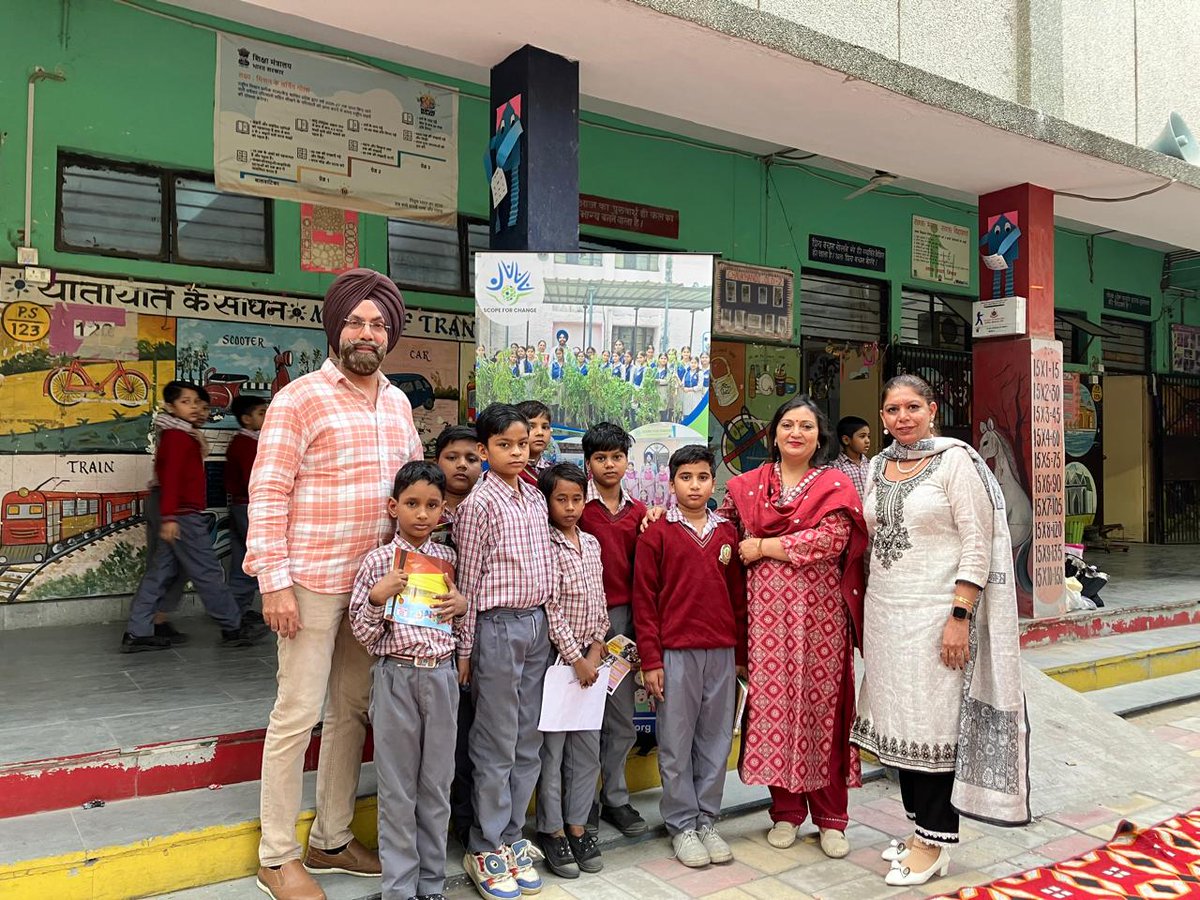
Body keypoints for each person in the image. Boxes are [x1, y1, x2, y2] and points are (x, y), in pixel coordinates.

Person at [247, 268, 420, 900]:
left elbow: (409, 491)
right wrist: (273, 582)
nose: (366, 333)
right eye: (355, 321)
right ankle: (276, 855)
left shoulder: (398, 403)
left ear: (390, 334)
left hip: (377, 584)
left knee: (350, 710)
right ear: (335, 328)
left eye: (377, 323)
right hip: (312, 581)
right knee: (296, 713)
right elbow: (267, 493)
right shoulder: (299, 399)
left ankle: (332, 836)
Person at [850, 374, 1029, 888]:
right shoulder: (879, 465)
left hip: (937, 618)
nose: (902, 417)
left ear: (932, 409)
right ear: (882, 417)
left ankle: (935, 841)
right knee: (902, 724)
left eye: (912, 407)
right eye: (891, 410)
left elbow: (978, 540)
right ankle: (916, 831)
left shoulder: (957, 461)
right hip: (887, 619)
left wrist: (960, 617)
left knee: (933, 728)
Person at [719, 397, 867, 859]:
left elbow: (832, 539)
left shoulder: (836, 484)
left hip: (821, 622)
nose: (796, 433)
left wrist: (763, 545)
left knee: (823, 712)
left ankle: (831, 818)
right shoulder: (748, 485)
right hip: (766, 625)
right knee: (776, 710)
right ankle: (785, 813)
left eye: (806, 426)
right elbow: (721, 528)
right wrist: (663, 515)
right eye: (787, 425)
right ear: (774, 432)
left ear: (819, 436)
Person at [454, 403, 578, 900]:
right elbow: (467, 582)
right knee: (496, 741)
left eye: (523, 444)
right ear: (484, 451)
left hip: (536, 627)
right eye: (504, 445)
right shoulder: (477, 507)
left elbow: (547, 576)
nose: (516, 453)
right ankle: (484, 843)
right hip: (496, 628)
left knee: (529, 739)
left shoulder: (532, 497)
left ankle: (510, 837)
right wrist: (466, 650)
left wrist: (556, 633)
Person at [348, 461, 468, 900]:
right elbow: (364, 636)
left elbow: (462, 627)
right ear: (393, 507)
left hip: (440, 677)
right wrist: (379, 597)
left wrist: (460, 604)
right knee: (397, 789)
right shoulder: (379, 561)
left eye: (432, 506)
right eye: (412, 504)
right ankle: (399, 888)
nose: (422, 514)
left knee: (436, 785)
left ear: (443, 513)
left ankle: (431, 884)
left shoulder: (449, 561)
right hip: (395, 676)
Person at [632, 444, 746, 869]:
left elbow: (738, 598)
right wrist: (651, 661)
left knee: (716, 740)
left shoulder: (727, 533)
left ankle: (707, 819)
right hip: (675, 654)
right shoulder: (656, 532)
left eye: (702, 477)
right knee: (676, 743)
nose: (694, 486)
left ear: (713, 482)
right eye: (685, 478)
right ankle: (681, 823)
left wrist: (741, 654)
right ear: (671, 482)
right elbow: (644, 601)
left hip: (721, 651)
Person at [121, 382, 264, 653]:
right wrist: (171, 516)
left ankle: (140, 629)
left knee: (163, 569)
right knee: (207, 569)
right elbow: (172, 478)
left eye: (198, 402)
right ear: (170, 407)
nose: (195, 407)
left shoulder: (181, 433)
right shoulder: (177, 436)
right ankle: (233, 626)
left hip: (176, 509)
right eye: (186, 402)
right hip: (182, 512)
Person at [535, 463, 609, 880]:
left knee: (586, 749)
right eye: (561, 499)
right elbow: (550, 605)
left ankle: (579, 824)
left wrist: (596, 647)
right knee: (552, 751)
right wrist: (574, 657)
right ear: (547, 500)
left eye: (577, 499)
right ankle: (553, 828)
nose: (570, 507)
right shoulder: (543, 544)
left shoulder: (592, 544)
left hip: (590, 660)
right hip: (557, 662)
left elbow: (599, 598)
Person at [578, 423, 649, 838]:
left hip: (624, 622)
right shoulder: (575, 509)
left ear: (627, 461)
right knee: (584, 717)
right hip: (585, 622)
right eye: (601, 458)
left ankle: (616, 799)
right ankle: (582, 803)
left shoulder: (641, 513)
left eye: (616, 456)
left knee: (621, 717)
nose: (609, 464)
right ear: (588, 463)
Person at [432, 425, 484, 849]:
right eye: (452, 456)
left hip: (484, 640)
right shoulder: (425, 512)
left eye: (471, 456)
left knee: (472, 737)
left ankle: (467, 825)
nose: (462, 464)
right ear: (438, 461)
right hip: (431, 644)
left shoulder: (492, 508)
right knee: (440, 738)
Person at [224, 395, 268, 622]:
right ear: (246, 419)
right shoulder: (247, 445)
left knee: (242, 560)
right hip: (249, 506)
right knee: (254, 559)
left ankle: (238, 611)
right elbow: (254, 480)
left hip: (241, 506)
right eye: (261, 413)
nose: (266, 416)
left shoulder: (247, 442)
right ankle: (235, 615)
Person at [832, 415, 872, 498]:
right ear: (846, 440)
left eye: (868, 436)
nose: (867, 441)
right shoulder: (835, 468)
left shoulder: (872, 465)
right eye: (862, 436)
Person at [515, 400, 553, 487]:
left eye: (545, 427)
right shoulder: (511, 472)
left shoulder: (553, 471)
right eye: (531, 426)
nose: (540, 433)